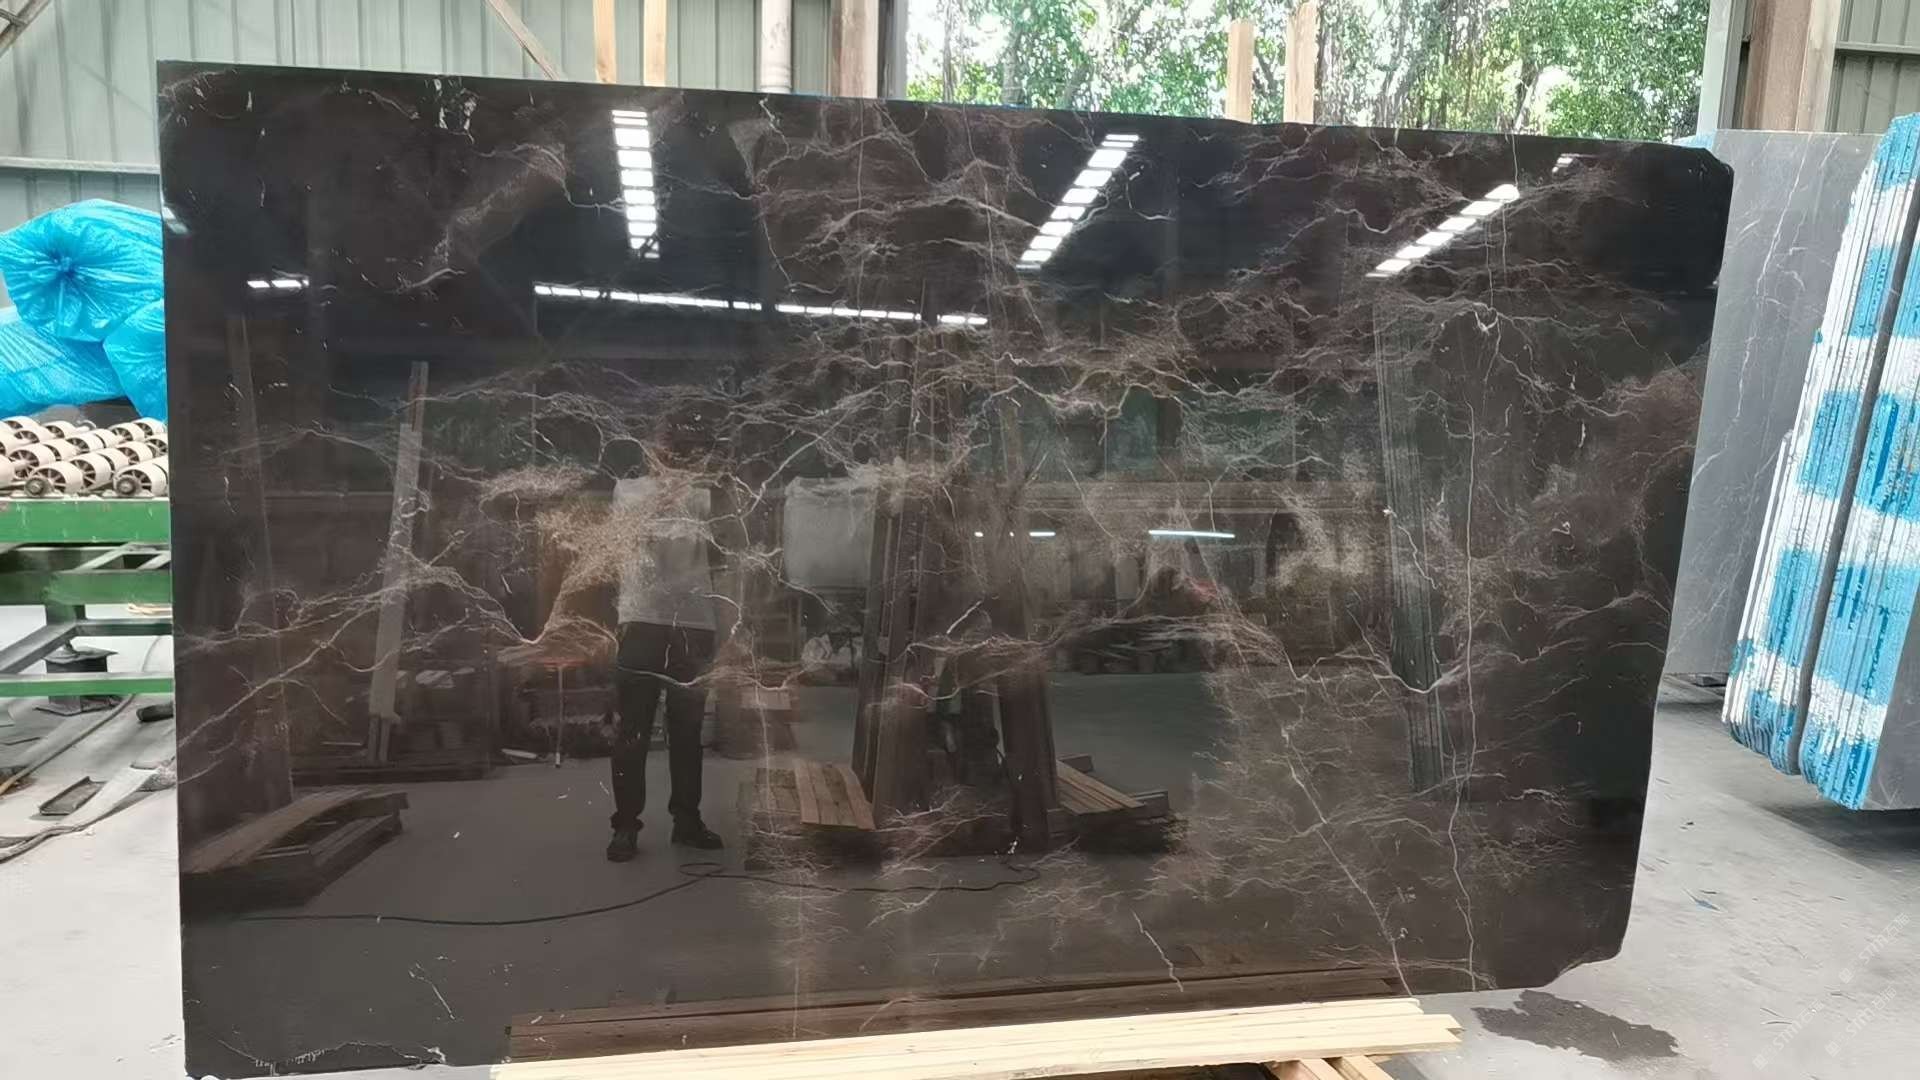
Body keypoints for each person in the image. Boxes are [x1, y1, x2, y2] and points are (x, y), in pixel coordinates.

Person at [605, 474, 728, 860]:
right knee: (633, 729)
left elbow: (721, 556)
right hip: (642, 620)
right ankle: (626, 825)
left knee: (687, 730)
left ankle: (686, 820)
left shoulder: (706, 494)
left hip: (692, 622)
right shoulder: (628, 491)